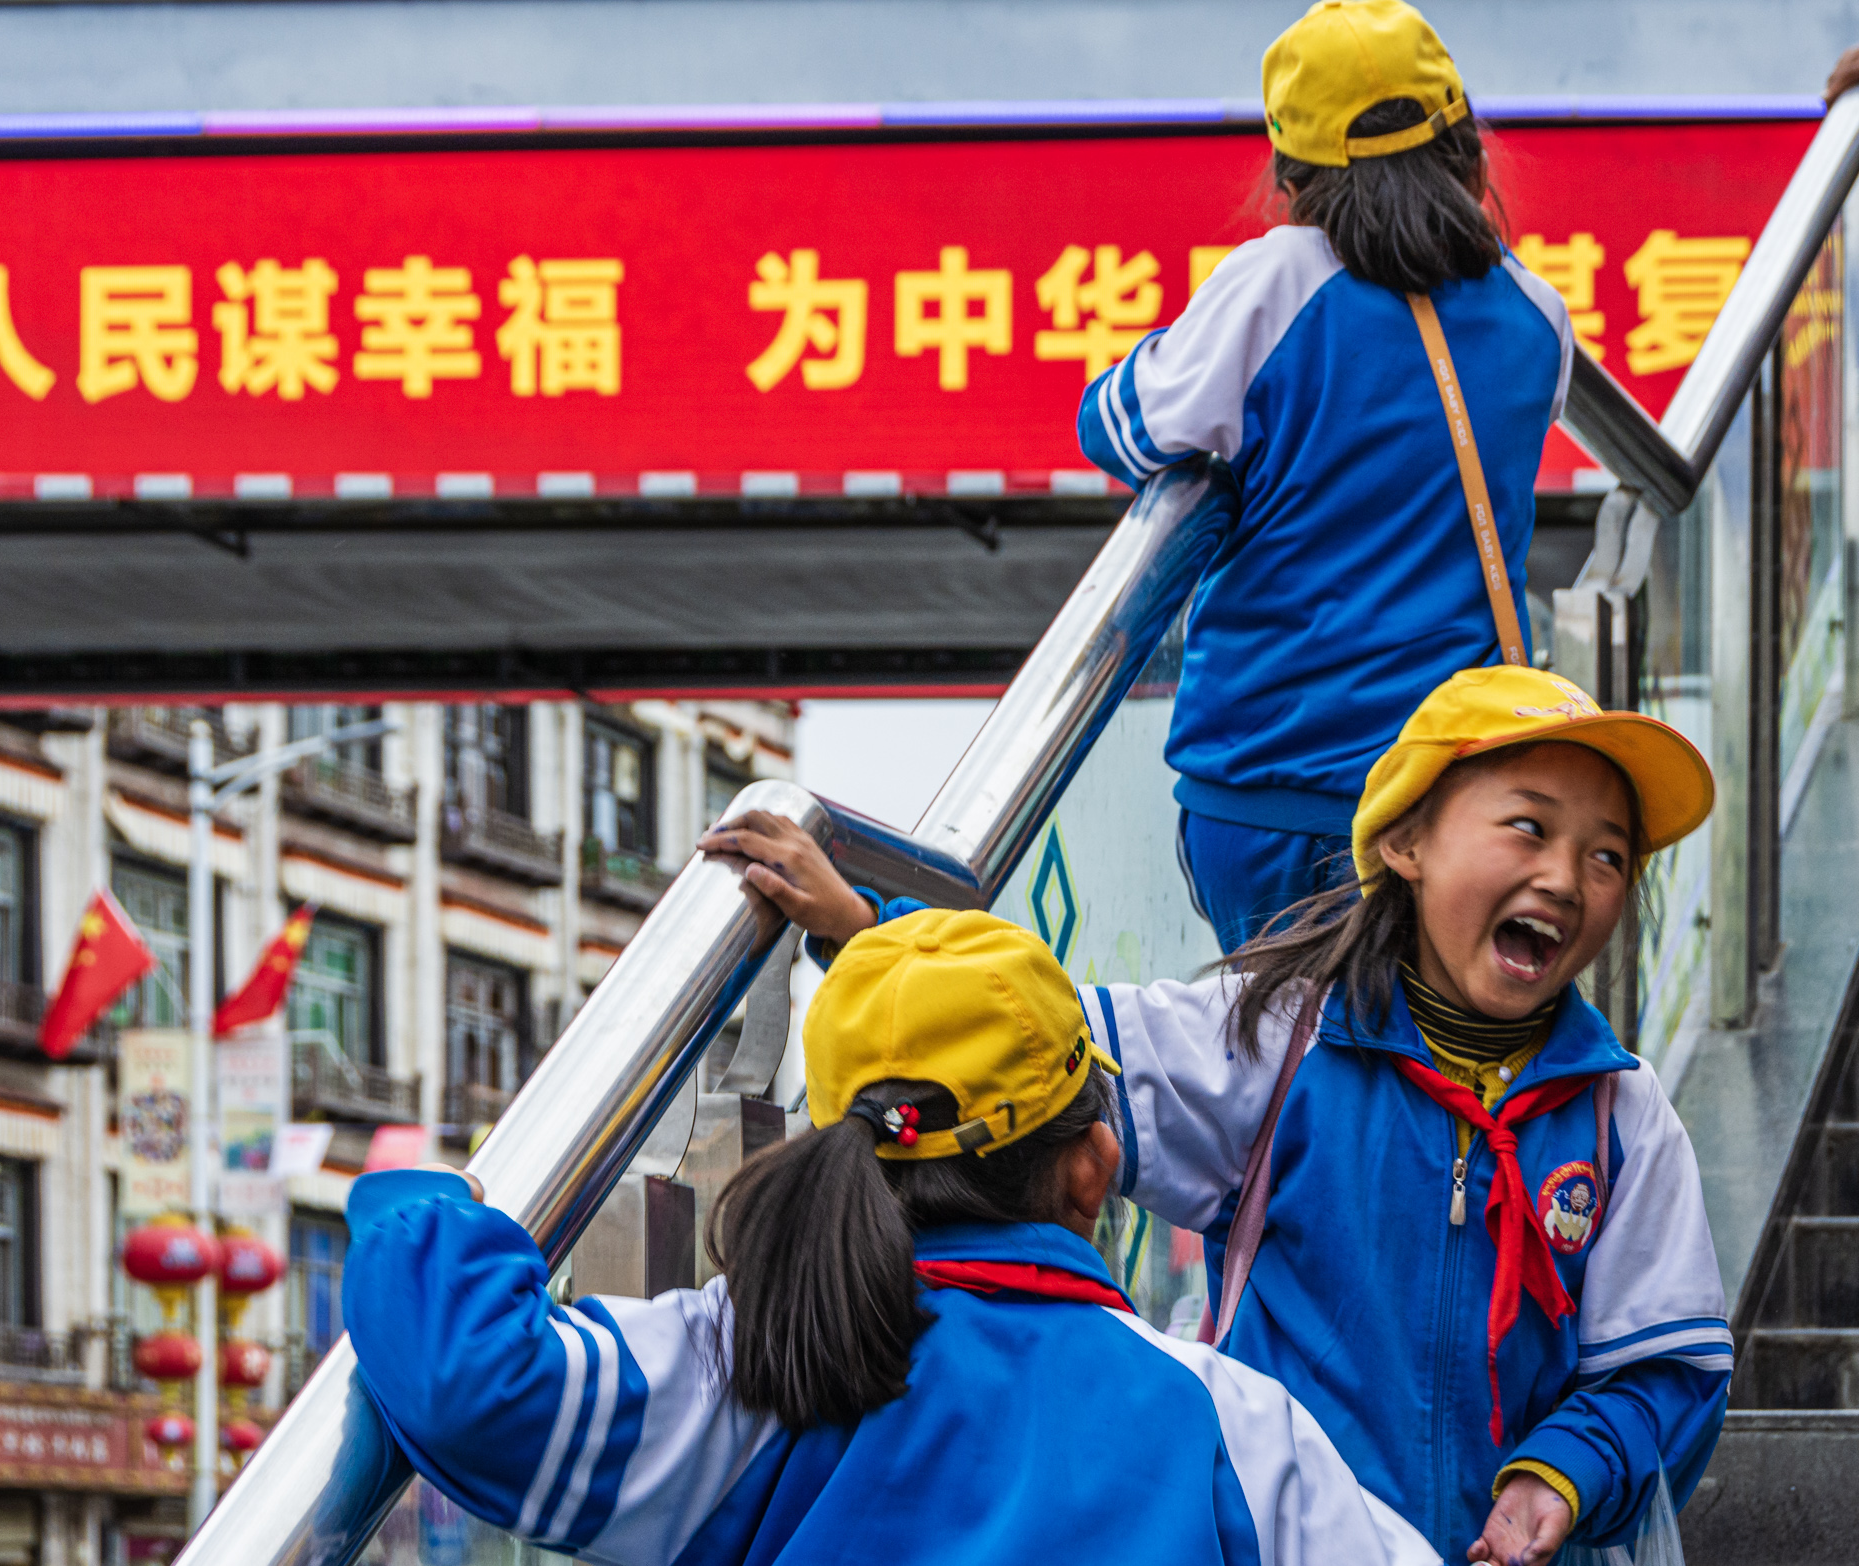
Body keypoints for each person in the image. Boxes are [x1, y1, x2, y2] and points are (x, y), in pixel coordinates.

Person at [701, 665, 1730, 1566]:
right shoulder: (1276, 1040)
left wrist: (1560, 1477)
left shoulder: (1622, 1119)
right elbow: (1030, 1036)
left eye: (1608, 857)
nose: (1566, 875)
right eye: (1529, 826)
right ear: (1407, 842)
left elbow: (1667, 1373)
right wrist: (865, 929)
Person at [341, 909, 1436, 1566]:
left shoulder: (749, 1369)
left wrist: (411, 1198)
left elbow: (465, 1380)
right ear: (1094, 1166)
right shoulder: (1231, 1424)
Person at [1075, 0, 1573, 950]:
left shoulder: (1277, 282)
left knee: (1277, 1069)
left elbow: (1120, 430)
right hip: (1438, 796)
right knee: (1411, 1070)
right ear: (1467, 147)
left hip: (1262, 785)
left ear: (1291, 173)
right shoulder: (1535, 313)